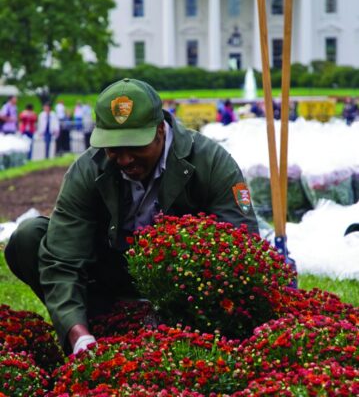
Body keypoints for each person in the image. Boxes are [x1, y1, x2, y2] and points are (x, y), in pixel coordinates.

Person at [5, 78, 258, 355]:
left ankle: (181, 328)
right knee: (29, 237)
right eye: (114, 148)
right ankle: (97, 326)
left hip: (183, 288)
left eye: (135, 146)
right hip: (109, 279)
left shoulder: (210, 162)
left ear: (160, 130)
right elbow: (62, 259)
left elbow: (242, 246)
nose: (124, 159)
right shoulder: (88, 169)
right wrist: (77, 334)